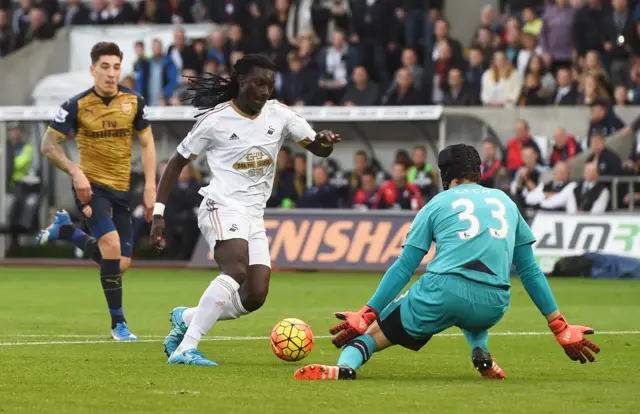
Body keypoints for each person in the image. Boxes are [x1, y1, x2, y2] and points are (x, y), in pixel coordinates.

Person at [294, 144, 600, 381]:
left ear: (446, 178)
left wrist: (367, 312)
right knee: (474, 296)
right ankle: (481, 351)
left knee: (369, 335)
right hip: (495, 304)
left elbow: (404, 266)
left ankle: (346, 367)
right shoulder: (506, 201)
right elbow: (530, 271)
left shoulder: (437, 203)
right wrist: (559, 326)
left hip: (442, 294)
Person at [149, 54, 342, 366]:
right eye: (258, 84)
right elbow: (176, 163)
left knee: (255, 296)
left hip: (253, 214)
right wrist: (158, 213)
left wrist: (326, 142)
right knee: (235, 271)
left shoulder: (279, 115)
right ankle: (186, 348)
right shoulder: (215, 120)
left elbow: (318, 147)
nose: (265, 92)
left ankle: (185, 317)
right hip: (221, 205)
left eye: (270, 85)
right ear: (241, 82)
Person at [36, 42, 157, 341]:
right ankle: (119, 325)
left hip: (122, 190)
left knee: (120, 264)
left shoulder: (134, 101)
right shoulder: (76, 105)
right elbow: (48, 145)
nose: (111, 73)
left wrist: (151, 187)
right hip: (91, 189)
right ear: (92, 70)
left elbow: (147, 143)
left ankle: (66, 232)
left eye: (116, 67)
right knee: (112, 247)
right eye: (104, 66)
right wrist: (76, 172)